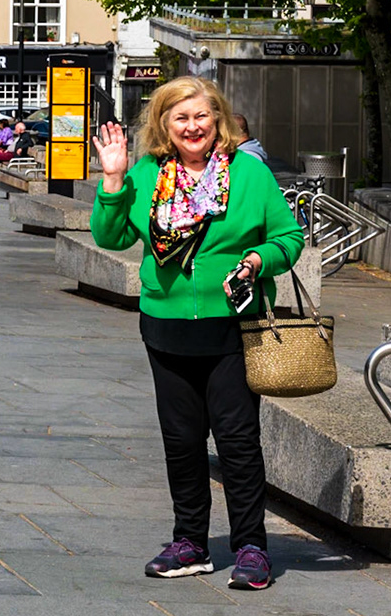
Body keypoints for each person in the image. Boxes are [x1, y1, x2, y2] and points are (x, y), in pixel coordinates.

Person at [90, 75, 304, 588]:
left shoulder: (250, 175)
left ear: (218, 121)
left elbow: (289, 237)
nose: (193, 127)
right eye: (181, 117)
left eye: (202, 116)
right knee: (181, 440)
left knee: (236, 440)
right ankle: (189, 542)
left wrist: (258, 258)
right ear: (165, 124)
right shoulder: (146, 173)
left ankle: (251, 546)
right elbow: (110, 235)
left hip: (232, 324)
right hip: (165, 326)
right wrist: (114, 181)